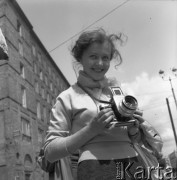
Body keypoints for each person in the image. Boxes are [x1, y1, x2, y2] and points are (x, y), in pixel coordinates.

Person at [43, 28, 163, 180]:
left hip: (134, 165)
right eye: (93, 56)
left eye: (105, 58)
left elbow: (135, 139)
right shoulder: (67, 97)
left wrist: (134, 129)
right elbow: (50, 152)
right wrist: (91, 129)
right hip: (95, 169)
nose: (100, 63)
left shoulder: (118, 93)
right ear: (80, 58)